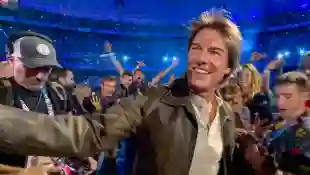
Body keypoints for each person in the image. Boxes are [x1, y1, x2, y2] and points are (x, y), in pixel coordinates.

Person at [0, 9, 254, 175]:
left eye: (214, 52)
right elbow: (89, 132)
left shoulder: (227, 117)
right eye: (196, 48)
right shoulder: (153, 101)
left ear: (228, 68)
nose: (200, 58)